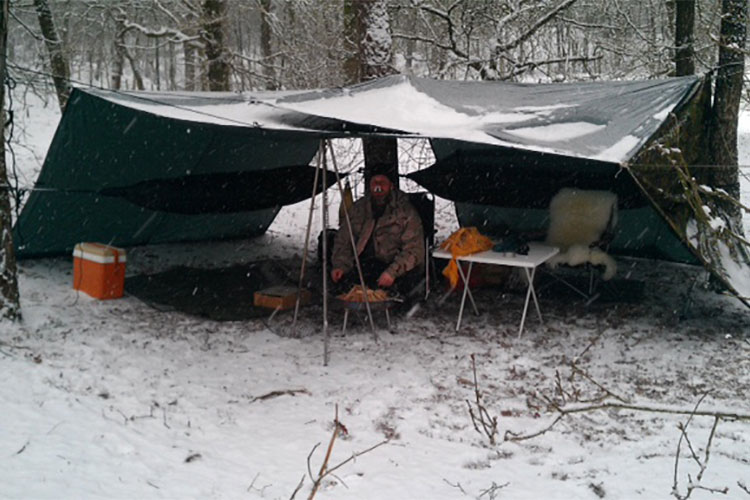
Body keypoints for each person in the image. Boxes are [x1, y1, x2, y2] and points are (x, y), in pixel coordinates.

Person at [330, 164, 425, 299]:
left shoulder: (406, 212)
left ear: (391, 186)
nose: (378, 186)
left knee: (402, 287)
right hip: (365, 265)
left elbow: (415, 250)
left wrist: (392, 272)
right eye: (375, 182)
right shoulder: (359, 208)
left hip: (393, 266)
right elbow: (343, 240)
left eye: (383, 182)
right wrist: (340, 265)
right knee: (342, 283)